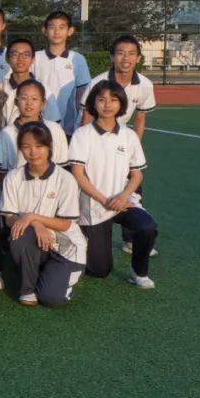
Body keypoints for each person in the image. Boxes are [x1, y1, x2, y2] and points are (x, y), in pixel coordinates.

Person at [68, 80, 157, 288]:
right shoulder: (83, 135)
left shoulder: (129, 135)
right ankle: (80, 238)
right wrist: (104, 199)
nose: (107, 105)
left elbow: (137, 175)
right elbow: (78, 174)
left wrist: (123, 197)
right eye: (101, 100)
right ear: (93, 103)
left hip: (122, 202)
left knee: (147, 226)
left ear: (121, 104)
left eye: (113, 100)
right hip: (94, 205)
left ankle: (139, 272)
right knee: (99, 270)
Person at [2, 122, 87, 307]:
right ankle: (27, 290)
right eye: (26, 146)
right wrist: (35, 223)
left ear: (49, 147)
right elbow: (9, 218)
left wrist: (33, 217)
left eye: (39, 146)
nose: (33, 152)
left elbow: (66, 224)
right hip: (35, 239)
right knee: (21, 232)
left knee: (51, 298)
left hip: (65, 247)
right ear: (20, 149)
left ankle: (52, 273)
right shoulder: (13, 177)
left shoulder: (65, 179)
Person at [79, 35, 156, 138]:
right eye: (120, 53)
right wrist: (86, 143)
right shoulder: (96, 83)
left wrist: (136, 145)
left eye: (131, 53)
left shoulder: (146, 85)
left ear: (138, 58)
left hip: (117, 134)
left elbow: (140, 118)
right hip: (92, 133)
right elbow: (87, 117)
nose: (126, 58)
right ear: (112, 57)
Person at [32, 11, 90, 135]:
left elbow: (82, 92)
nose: (57, 31)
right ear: (44, 30)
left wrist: (81, 122)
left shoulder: (78, 59)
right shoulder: (35, 57)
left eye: (62, 27)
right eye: (52, 27)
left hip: (67, 128)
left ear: (70, 31)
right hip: (38, 125)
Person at [0, 38, 62, 130]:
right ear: (7, 59)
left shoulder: (43, 89)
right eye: (15, 54)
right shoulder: (0, 89)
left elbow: (53, 123)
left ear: (33, 59)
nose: (20, 58)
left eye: (26, 54)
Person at [0, 79, 69, 169]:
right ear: (16, 102)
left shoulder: (55, 129)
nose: (29, 103)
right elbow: (2, 171)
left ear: (43, 103)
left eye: (34, 99)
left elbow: (63, 166)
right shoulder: (6, 133)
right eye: (24, 98)